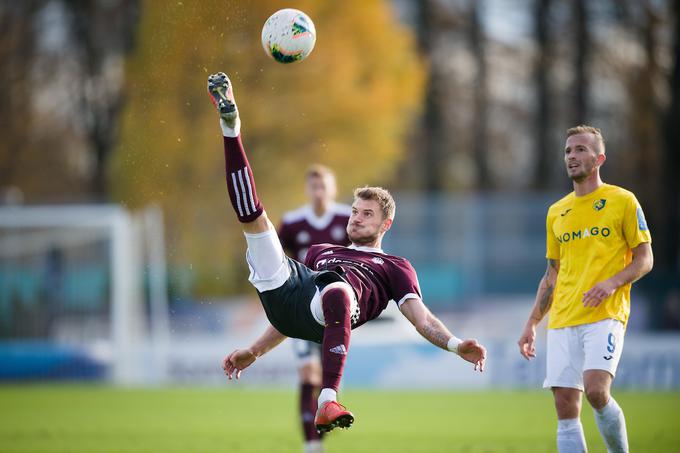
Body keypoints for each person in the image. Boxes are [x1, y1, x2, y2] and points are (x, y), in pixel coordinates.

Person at [207, 71, 487, 433]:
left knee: (337, 290)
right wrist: (254, 351)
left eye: (367, 214)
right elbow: (291, 311)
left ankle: (328, 400)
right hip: (295, 296)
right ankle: (231, 127)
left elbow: (422, 319)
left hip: (332, 303)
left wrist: (454, 344)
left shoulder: (394, 266)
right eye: (355, 211)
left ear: (385, 224)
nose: (356, 218)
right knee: (255, 220)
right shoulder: (321, 251)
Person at [518, 125, 653, 453]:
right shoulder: (557, 212)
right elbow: (552, 275)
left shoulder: (622, 200)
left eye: (580, 149)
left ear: (599, 158)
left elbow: (645, 258)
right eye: (567, 151)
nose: (572, 156)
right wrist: (532, 322)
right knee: (565, 406)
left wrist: (611, 283)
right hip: (563, 318)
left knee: (595, 391)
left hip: (605, 314)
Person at [278, 165, 351, 453]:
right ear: (307, 190)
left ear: (333, 189)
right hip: (302, 309)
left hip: (336, 311)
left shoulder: (347, 219)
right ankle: (311, 445)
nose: (318, 191)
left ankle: (319, 434)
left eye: (324, 186)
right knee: (308, 375)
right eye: (314, 186)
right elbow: (275, 258)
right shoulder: (293, 223)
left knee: (327, 385)